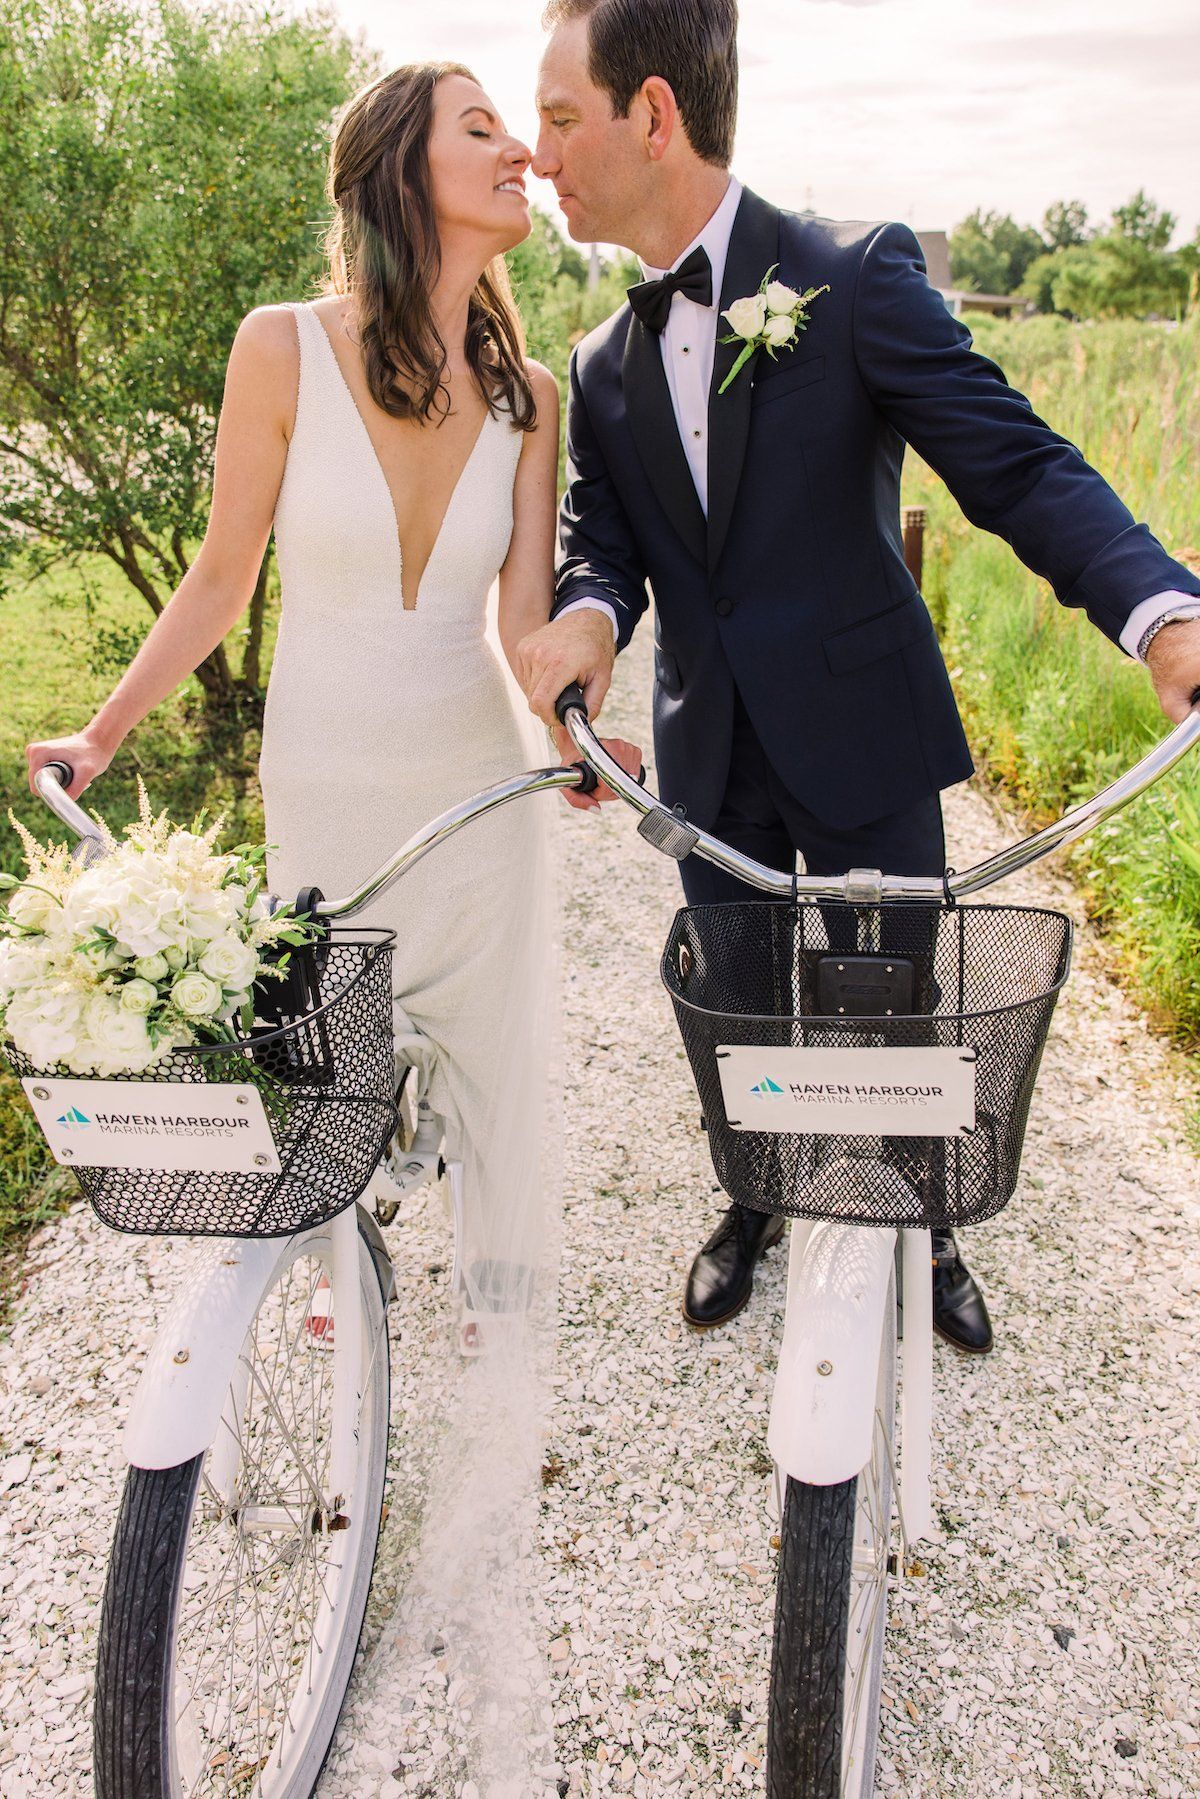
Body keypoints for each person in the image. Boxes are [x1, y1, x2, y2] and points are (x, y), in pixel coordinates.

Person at [24, 61, 638, 1793]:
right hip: (328, 800)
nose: (520, 148)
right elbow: (223, 574)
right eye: (481, 129)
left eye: (519, 132)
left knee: (489, 1122)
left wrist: (581, 725)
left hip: (475, 813)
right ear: (398, 164)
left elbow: (527, 628)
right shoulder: (276, 342)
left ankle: (475, 1466)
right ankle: (324, 1312)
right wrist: (108, 733)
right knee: (320, 1108)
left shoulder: (532, 392)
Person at [517, 0, 1200, 1355]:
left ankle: (927, 1219)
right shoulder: (601, 365)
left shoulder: (856, 277)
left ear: (653, 116)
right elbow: (603, 543)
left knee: (899, 1012)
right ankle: (754, 1200)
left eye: (556, 118)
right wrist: (587, 618)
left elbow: (1017, 467)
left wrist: (1163, 617)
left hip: (866, 735)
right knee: (736, 1010)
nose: (541, 157)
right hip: (709, 758)